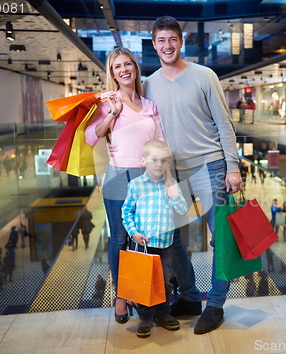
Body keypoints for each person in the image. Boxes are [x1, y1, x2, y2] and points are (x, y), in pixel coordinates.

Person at [141, 16, 243, 335]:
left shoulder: (204, 75)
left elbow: (224, 123)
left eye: (173, 39)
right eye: (161, 40)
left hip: (210, 165)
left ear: (181, 42)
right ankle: (188, 296)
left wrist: (233, 166)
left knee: (222, 237)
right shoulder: (149, 83)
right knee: (168, 236)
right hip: (172, 173)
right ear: (154, 44)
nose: (167, 45)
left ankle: (215, 304)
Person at [85, 47, 166, 326]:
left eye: (128, 64)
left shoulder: (149, 105)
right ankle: (121, 296)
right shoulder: (108, 101)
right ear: (112, 73)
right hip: (118, 176)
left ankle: (139, 293)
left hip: (146, 179)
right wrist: (112, 115)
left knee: (139, 238)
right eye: (117, 66)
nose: (124, 70)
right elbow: (89, 137)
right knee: (120, 238)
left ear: (135, 67)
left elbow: (160, 141)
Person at [122, 139, 188, 338]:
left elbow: (184, 210)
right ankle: (145, 317)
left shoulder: (171, 184)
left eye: (164, 161)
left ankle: (163, 313)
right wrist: (133, 232)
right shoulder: (136, 185)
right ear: (143, 161)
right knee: (144, 281)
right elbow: (126, 212)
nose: (159, 164)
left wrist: (175, 195)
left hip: (165, 244)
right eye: (154, 160)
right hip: (143, 245)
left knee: (165, 282)